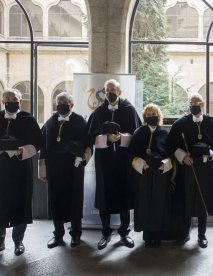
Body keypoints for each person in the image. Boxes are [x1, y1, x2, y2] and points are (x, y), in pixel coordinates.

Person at [87, 79, 141, 249]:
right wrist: (107, 138)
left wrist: (122, 138)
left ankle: (124, 233)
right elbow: (90, 134)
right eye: (107, 89)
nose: (110, 92)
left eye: (113, 89)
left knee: (124, 193)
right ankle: (105, 232)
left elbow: (137, 133)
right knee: (104, 193)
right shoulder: (99, 112)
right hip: (105, 160)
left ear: (120, 92)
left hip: (124, 160)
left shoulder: (129, 109)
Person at [39, 92, 91, 248]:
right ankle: (58, 234)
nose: (62, 105)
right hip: (55, 169)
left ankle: (76, 234)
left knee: (75, 200)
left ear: (72, 105)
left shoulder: (80, 121)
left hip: (73, 168)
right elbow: (43, 147)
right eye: (59, 102)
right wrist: (43, 170)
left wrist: (83, 158)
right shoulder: (49, 122)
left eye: (65, 102)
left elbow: (88, 144)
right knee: (56, 201)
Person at [167, 93, 213, 248]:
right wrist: (182, 157)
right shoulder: (180, 123)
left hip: (204, 166)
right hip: (187, 167)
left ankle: (202, 235)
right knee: (186, 199)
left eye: (196, 102)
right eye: (191, 102)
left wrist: (207, 152)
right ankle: (184, 234)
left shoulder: (210, 121)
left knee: (203, 200)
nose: (193, 105)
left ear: (202, 104)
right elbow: (171, 145)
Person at [0, 88, 42, 255]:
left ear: (20, 101)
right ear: (3, 101)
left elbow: (37, 142)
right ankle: (0, 241)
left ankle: (19, 241)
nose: (11, 102)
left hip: (20, 168)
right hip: (1, 169)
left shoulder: (28, 119)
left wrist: (20, 151)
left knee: (21, 203)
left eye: (14, 99)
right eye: (8, 99)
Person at [129, 104, 173, 247]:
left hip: (160, 172)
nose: (151, 115)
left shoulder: (165, 133)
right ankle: (147, 235)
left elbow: (170, 154)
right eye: (148, 113)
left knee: (159, 203)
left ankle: (158, 234)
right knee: (145, 203)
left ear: (158, 115)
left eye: (153, 113)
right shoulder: (138, 132)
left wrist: (164, 164)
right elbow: (132, 154)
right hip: (145, 172)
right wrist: (142, 163)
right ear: (144, 117)